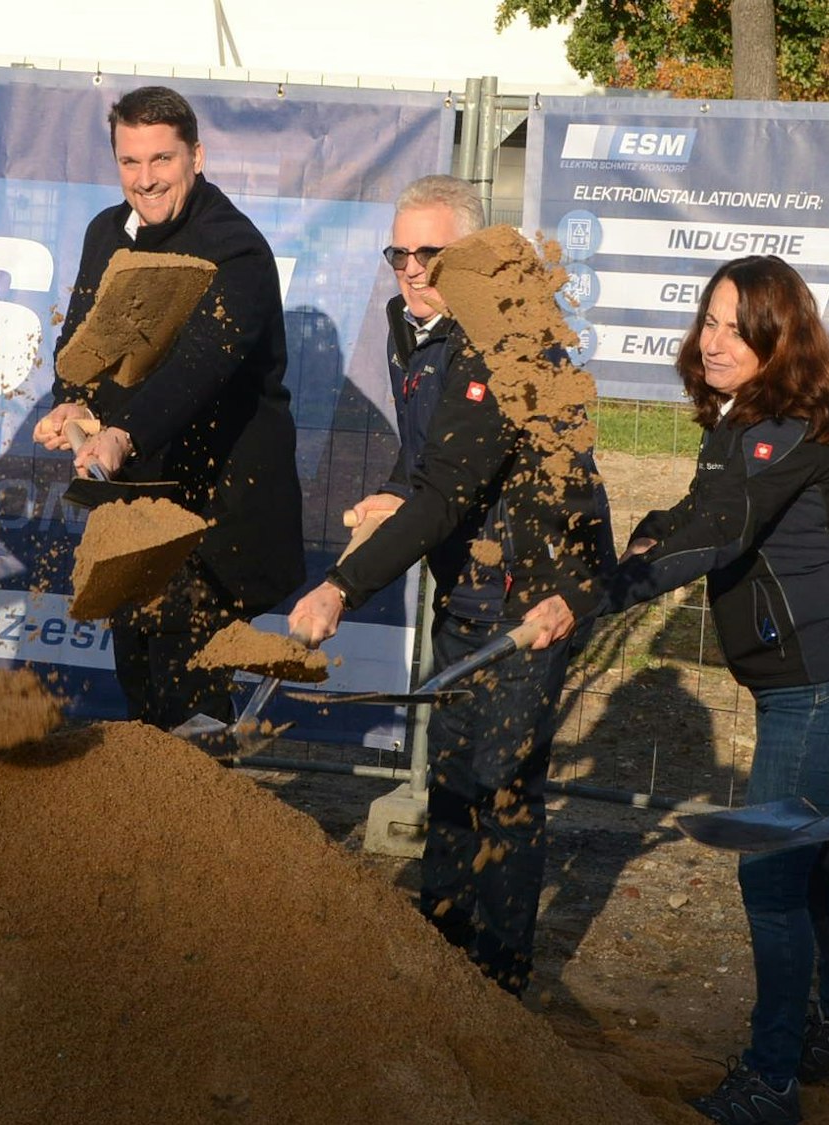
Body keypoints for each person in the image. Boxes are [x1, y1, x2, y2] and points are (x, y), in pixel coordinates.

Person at [285, 175, 611, 998]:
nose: (412, 269)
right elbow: (426, 461)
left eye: (431, 253)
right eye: (399, 252)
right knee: (452, 782)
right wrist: (395, 489)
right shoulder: (410, 323)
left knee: (502, 788)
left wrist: (339, 587)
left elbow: (453, 485)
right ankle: (438, 970)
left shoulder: (507, 340)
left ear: (469, 252)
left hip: (530, 594)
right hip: (463, 581)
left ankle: (497, 993)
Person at [599, 256, 829, 1124]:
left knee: (771, 872)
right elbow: (699, 511)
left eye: (738, 327)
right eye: (710, 321)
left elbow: (722, 537)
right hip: (798, 679)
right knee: (820, 856)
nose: (714, 340)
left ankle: (770, 1082)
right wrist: (645, 536)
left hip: (821, 681)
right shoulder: (739, 421)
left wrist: (596, 602)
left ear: (780, 339)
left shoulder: (792, 428)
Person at [33, 85, 304, 730]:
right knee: (140, 681)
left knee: (188, 704)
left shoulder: (236, 248)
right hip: (135, 507)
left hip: (215, 516)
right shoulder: (107, 233)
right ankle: (153, 827)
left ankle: (199, 827)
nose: (146, 180)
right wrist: (68, 403)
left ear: (196, 157)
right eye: (131, 162)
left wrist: (122, 434)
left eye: (162, 160)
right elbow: (85, 345)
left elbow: (202, 366)